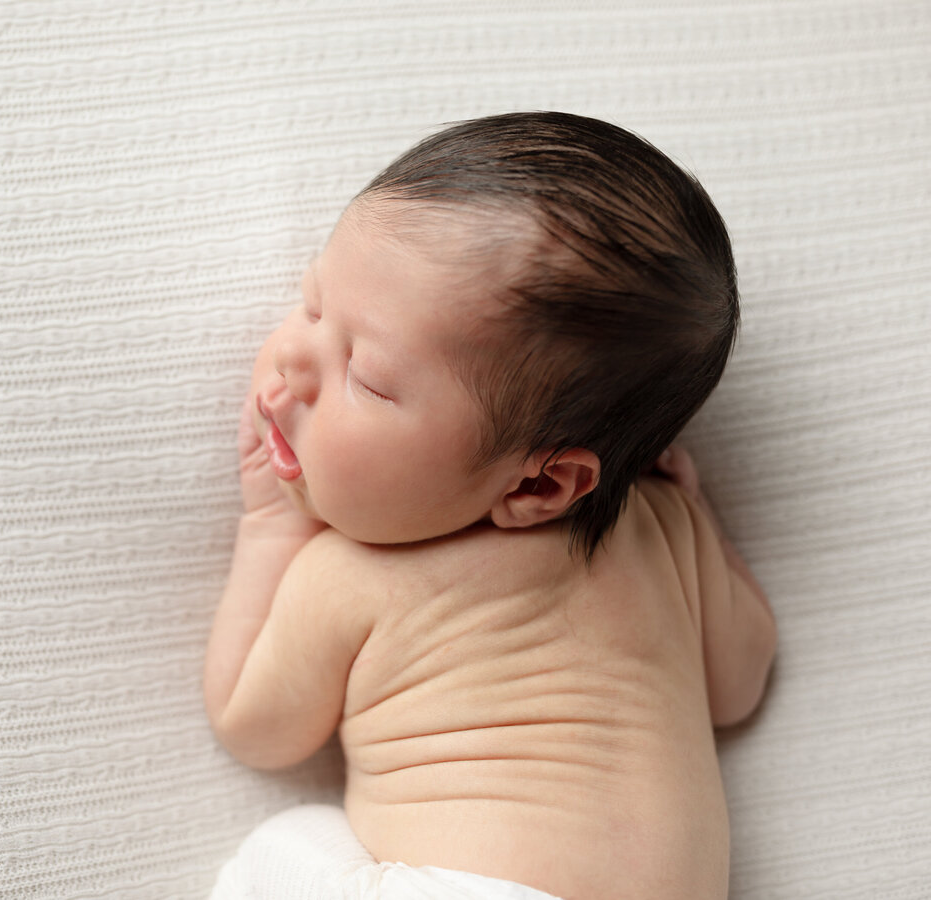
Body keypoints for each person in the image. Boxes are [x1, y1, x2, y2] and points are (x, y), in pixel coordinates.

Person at [204, 112, 776, 900]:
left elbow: (254, 728)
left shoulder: (350, 575)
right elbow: (739, 685)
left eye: (366, 377)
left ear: (537, 487)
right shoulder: (663, 529)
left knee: (286, 844)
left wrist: (273, 524)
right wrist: (698, 513)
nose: (293, 358)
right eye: (311, 304)